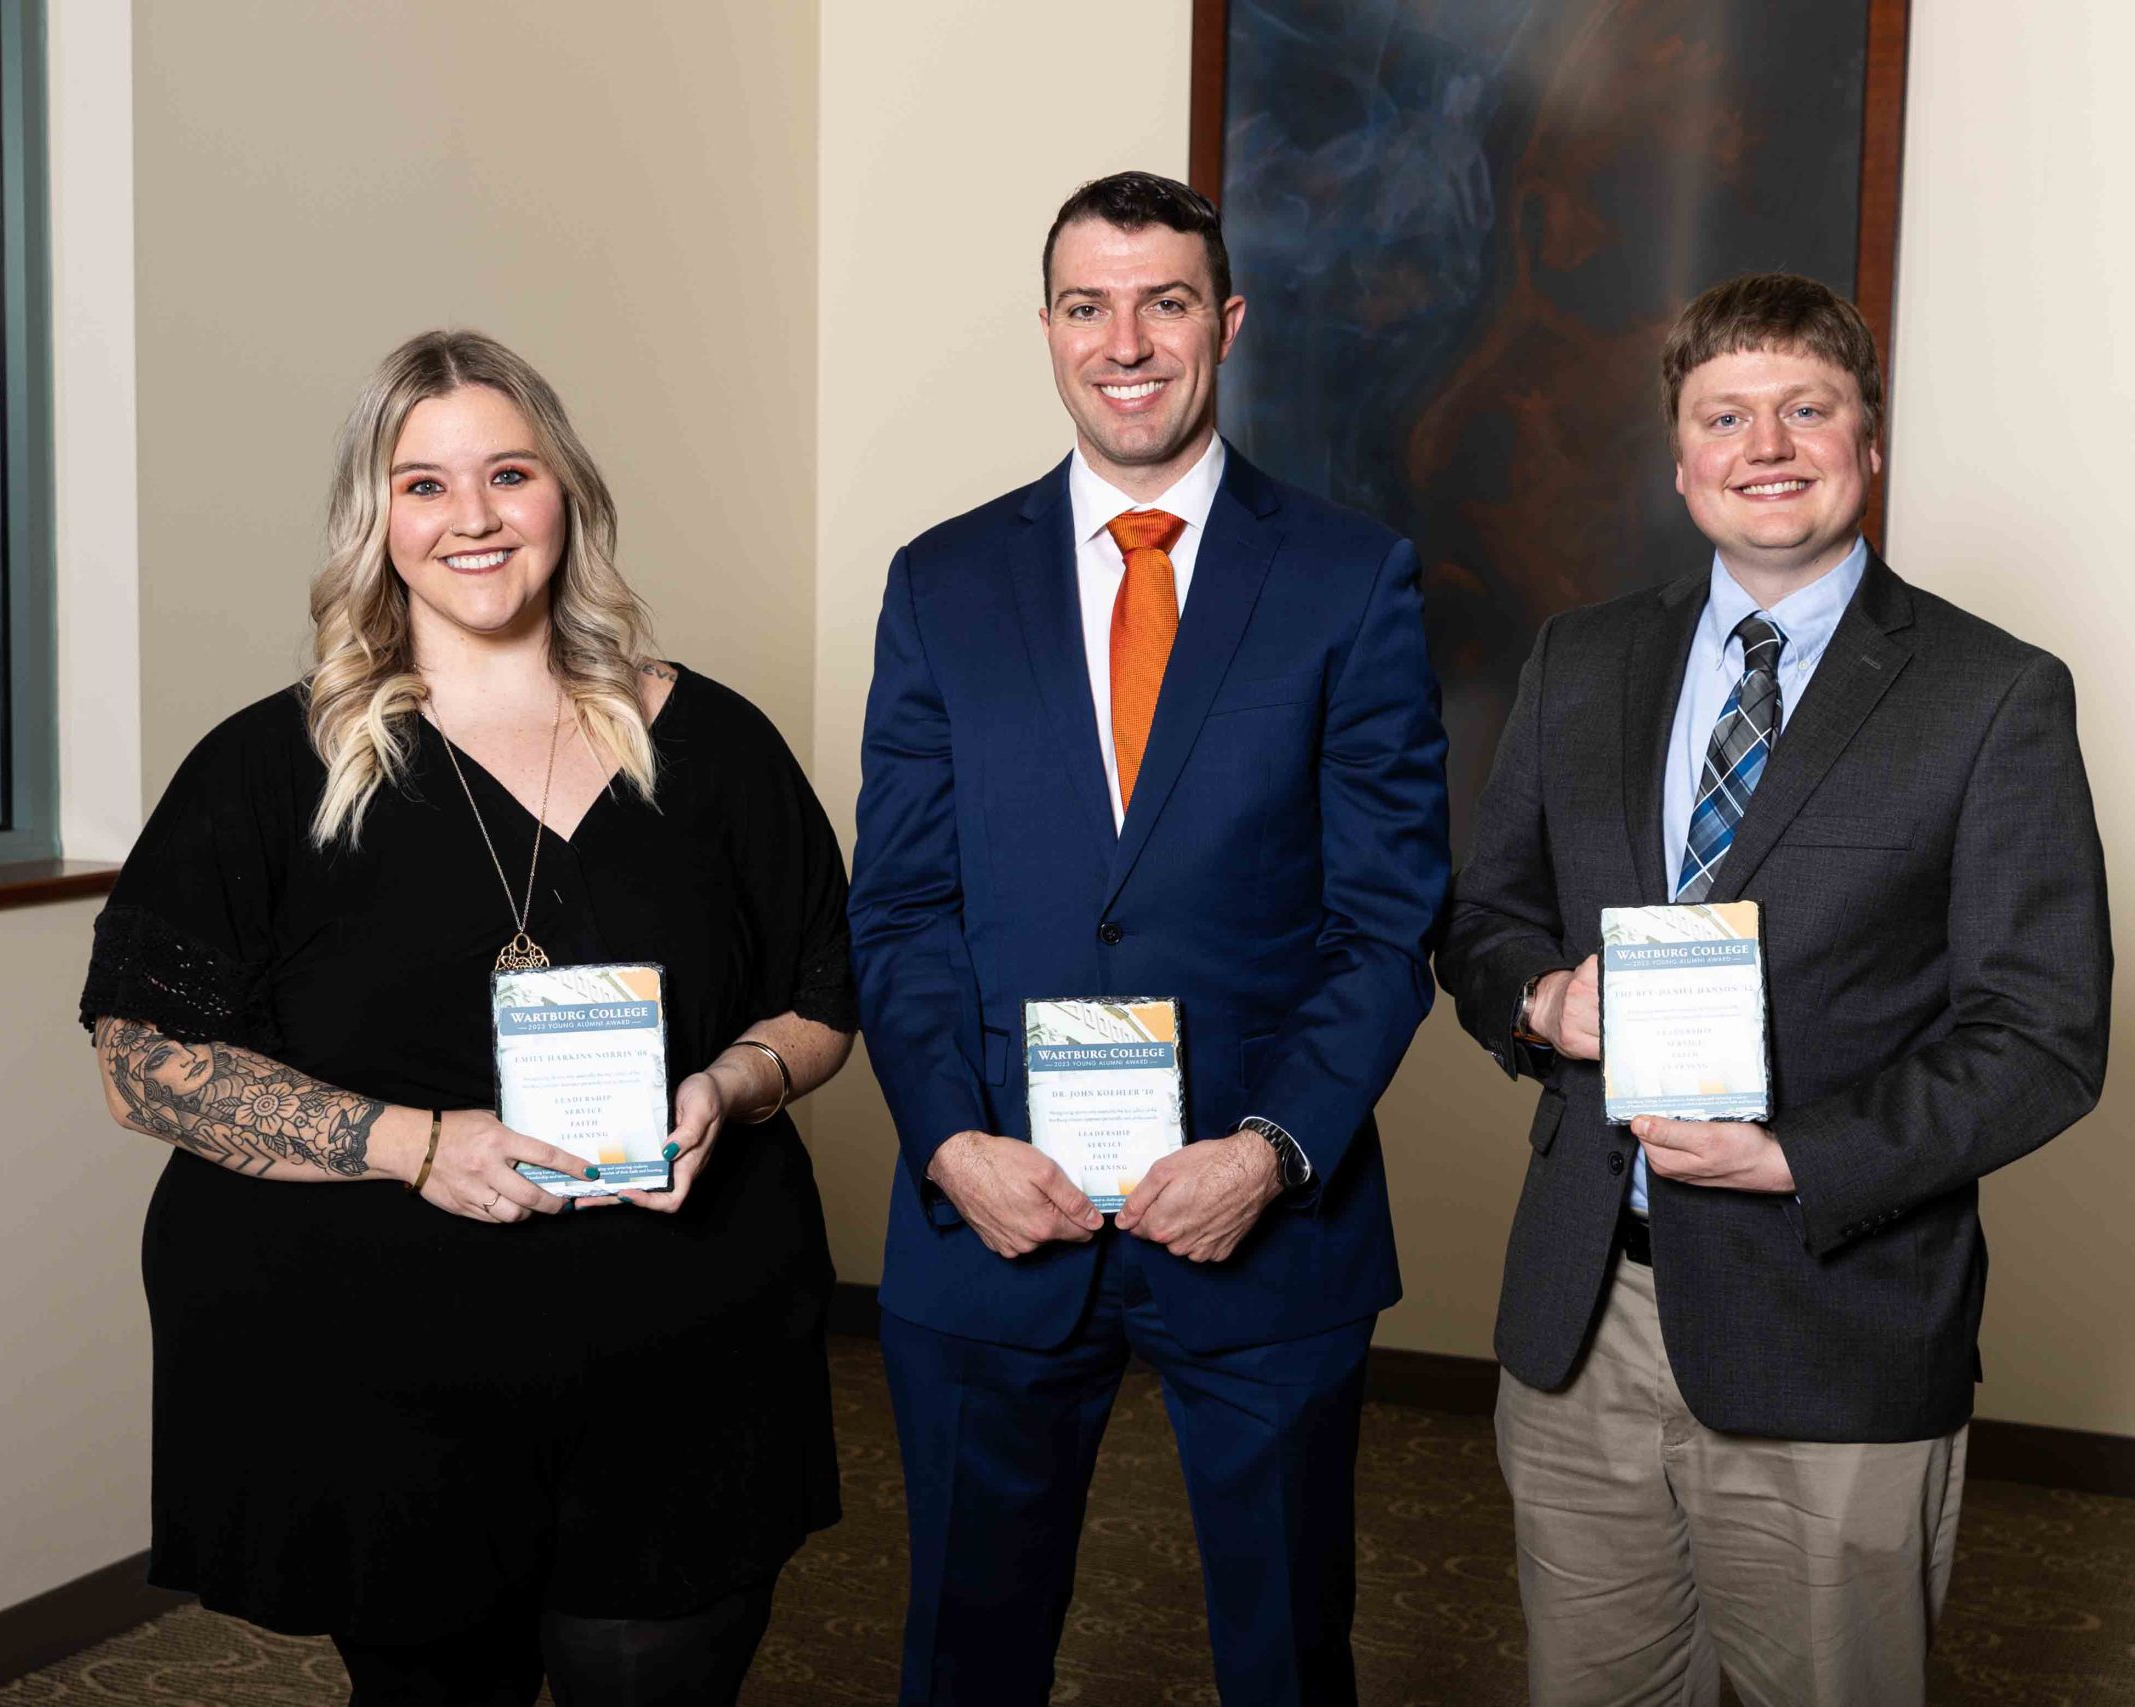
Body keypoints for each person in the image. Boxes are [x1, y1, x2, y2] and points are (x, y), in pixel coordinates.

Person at [78, 330, 856, 1707]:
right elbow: (143, 1063)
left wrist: (728, 1089)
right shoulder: (274, 766)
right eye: (423, 484)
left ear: (569, 496)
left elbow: (822, 1001)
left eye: (509, 472)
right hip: (384, 1373)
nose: (475, 517)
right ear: (375, 521)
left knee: (661, 1679)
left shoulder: (716, 746)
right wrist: (411, 1143)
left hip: (680, 1344)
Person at [1436, 272, 2113, 1706]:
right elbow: (1484, 917)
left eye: (1809, 408)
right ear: (1680, 463)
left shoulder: (1991, 695)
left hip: (1837, 1331)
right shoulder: (1583, 659)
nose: (1768, 444)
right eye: (1725, 415)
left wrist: (1799, 1155)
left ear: (1869, 443)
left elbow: (2041, 1034)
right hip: (1582, 1326)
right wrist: (1545, 1006)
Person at [847, 171, 1450, 1707]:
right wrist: (949, 1142)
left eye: (1166, 301)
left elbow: (1387, 919)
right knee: (965, 1657)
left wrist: (1270, 1149)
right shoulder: (941, 581)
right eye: (1087, 304)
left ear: (1225, 323)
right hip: (996, 1215)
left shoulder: (1348, 575)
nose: (1128, 340)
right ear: (1048, 330)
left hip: (1260, 1224)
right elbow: (903, 907)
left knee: (1286, 1655)